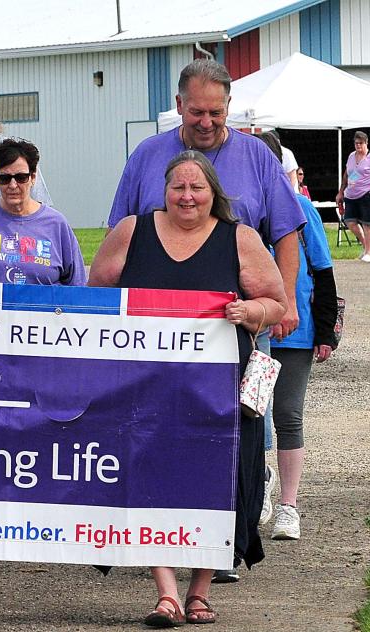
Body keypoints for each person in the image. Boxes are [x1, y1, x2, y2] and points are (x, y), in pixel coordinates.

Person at [108, 60, 306, 584]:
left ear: (229, 108)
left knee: (238, 433)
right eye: (197, 111)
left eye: (217, 112)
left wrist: (282, 308)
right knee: (155, 438)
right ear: (178, 106)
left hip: (234, 330)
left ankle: (224, 542)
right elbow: (118, 237)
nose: (207, 122)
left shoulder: (256, 156)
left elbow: (286, 231)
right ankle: (160, 541)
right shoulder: (148, 157)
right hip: (156, 346)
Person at [91, 150, 287, 627]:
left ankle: (200, 591)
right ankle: (166, 593)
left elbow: (277, 303)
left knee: (218, 483)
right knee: (150, 478)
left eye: (197, 188)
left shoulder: (238, 239)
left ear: (213, 193)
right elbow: (95, 289)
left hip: (218, 390)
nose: (187, 196)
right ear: (165, 190)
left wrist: (249, 312)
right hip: (146, 385)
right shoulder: (132, 231)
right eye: (178, 186)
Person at [255, 132, 338, 541]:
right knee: (254, 417)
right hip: (254, 330)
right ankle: (259, 484)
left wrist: (326, 332)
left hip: (296, 332)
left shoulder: (303, 209)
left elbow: (323, 273)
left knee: (287, 416)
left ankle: (289, 505)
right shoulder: (242, 213)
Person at [0, 138, 84, 286]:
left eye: (21, 178)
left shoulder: (56, 224)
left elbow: (77, 285)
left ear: (33, 177)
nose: (13, 185)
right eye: (5, 178)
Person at [336, 130, 370, 261]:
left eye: (361, 143)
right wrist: (341, 191)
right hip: (351, 194)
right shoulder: (352, 156)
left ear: (366, 143)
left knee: (367, 223)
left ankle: (369, 253)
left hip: (368, 194)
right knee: (350, 221)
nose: (358, 146)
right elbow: (348, 174)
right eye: (356, 143)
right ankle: (367, 246)